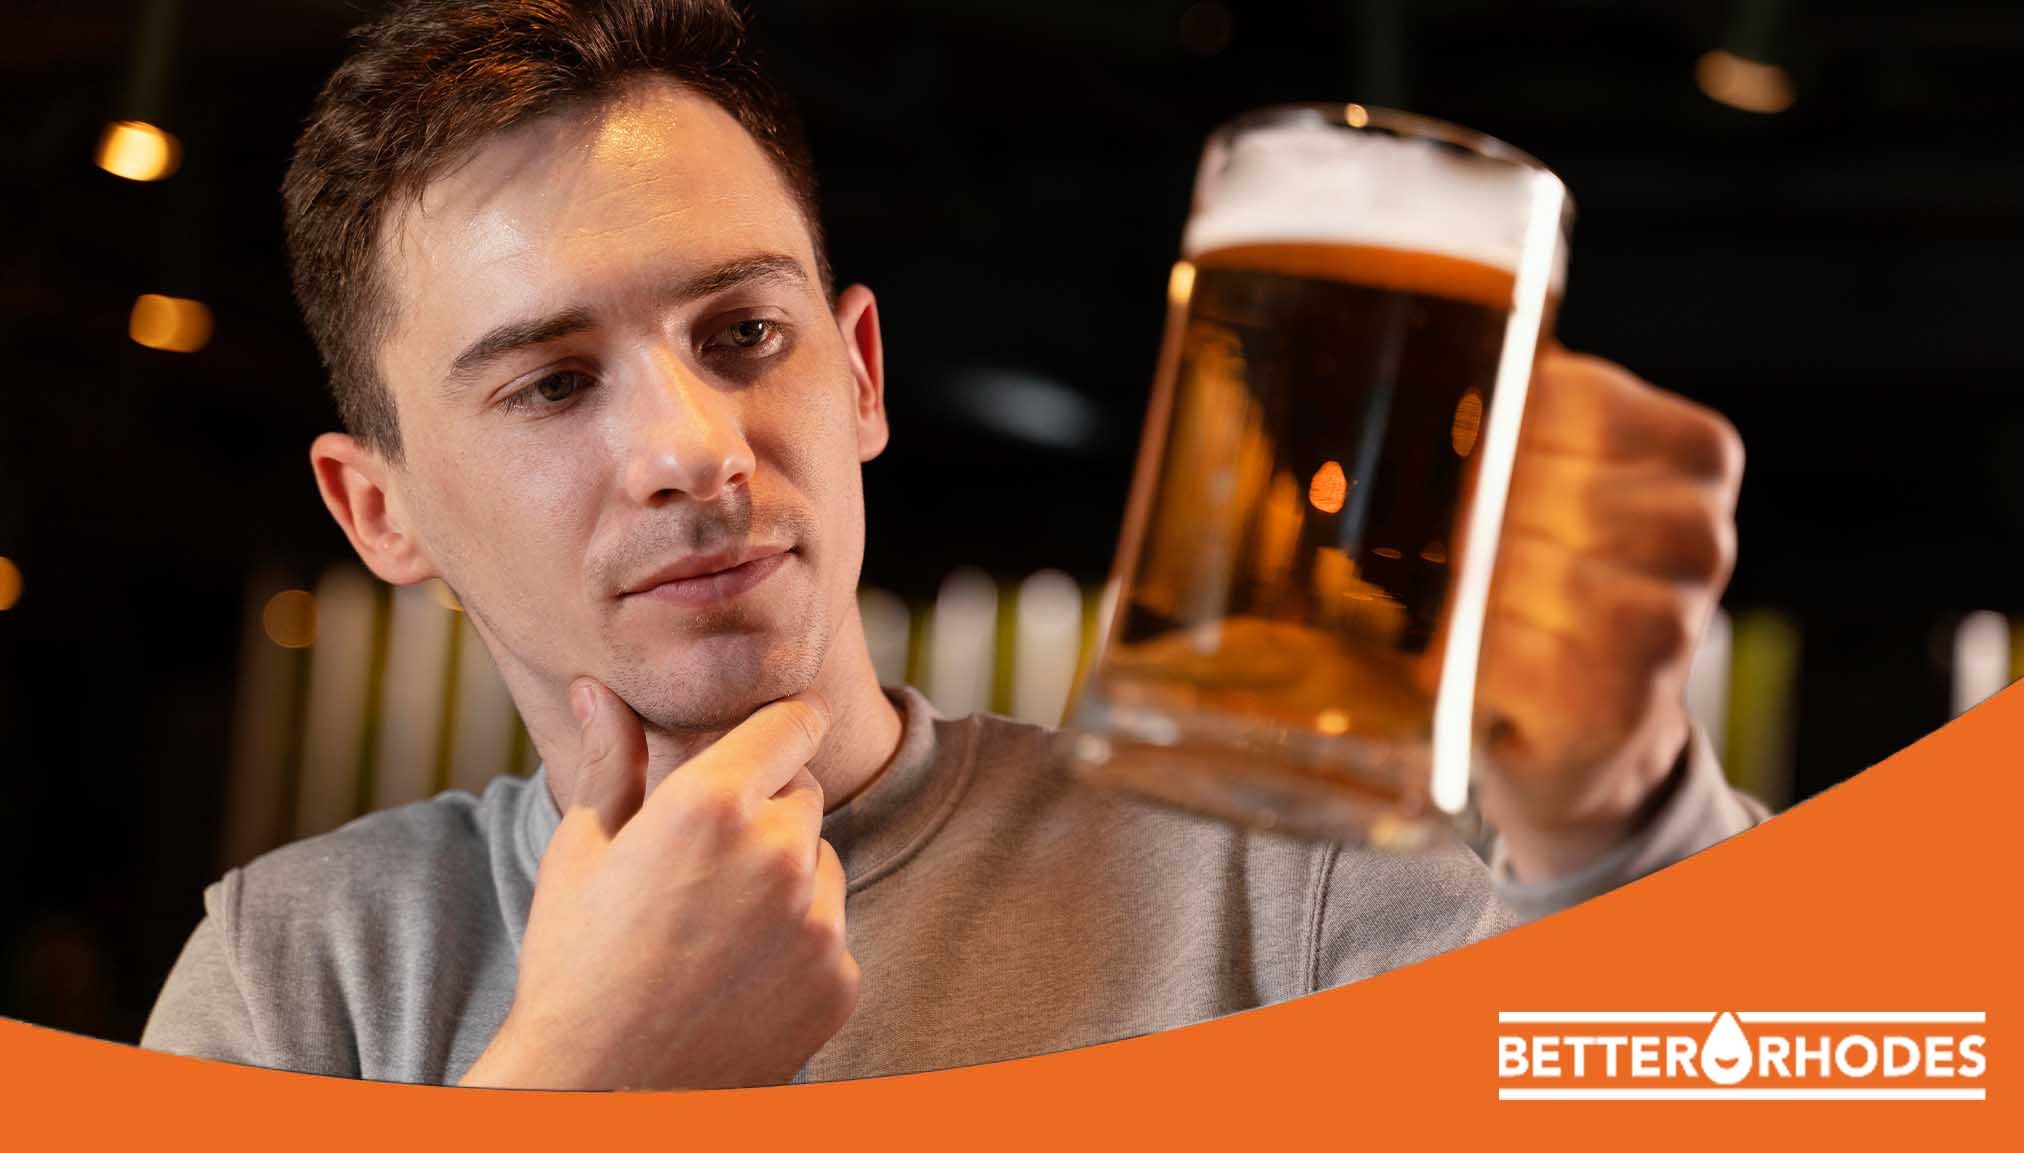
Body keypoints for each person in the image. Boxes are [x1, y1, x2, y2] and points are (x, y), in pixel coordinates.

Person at [141, 0, 1763, 1089]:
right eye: (555, 382)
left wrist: (1638, 815)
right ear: (382, 510)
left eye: (743, 333)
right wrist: (582, 1077)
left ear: (858, 374)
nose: (695, 449)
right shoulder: (302, 976)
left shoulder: (1276, 877)